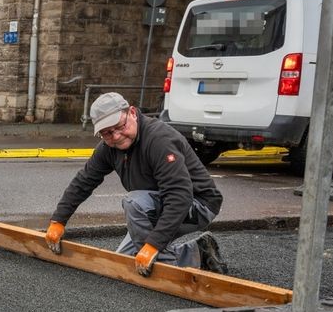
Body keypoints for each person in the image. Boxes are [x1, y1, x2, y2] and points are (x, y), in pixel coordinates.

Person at [45, 92, 227, 276]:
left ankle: (167, 274)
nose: (115, 136)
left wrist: (153, 245)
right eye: (106, 133)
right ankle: (200, 252)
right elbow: (84, 181)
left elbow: (179, 195)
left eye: (119, 126)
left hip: (197, 204)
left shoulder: (158, 140)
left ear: (132, 112)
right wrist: (58, 220)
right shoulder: (109, 148)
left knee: (135, 203)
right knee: (123, 263)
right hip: (159, 205)